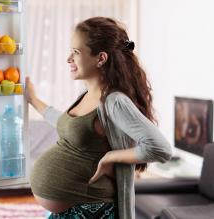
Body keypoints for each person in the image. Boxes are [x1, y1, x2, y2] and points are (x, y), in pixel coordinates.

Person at [26, 17, 172, 219]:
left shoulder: (114, 101)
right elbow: (65, 123)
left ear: (100, 58)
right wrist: (33, 100)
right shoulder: (86, 95)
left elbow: (161, 148)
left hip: (92, 212)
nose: (69, 58)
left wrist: (111, 157)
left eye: (76, 52)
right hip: (70, 211)